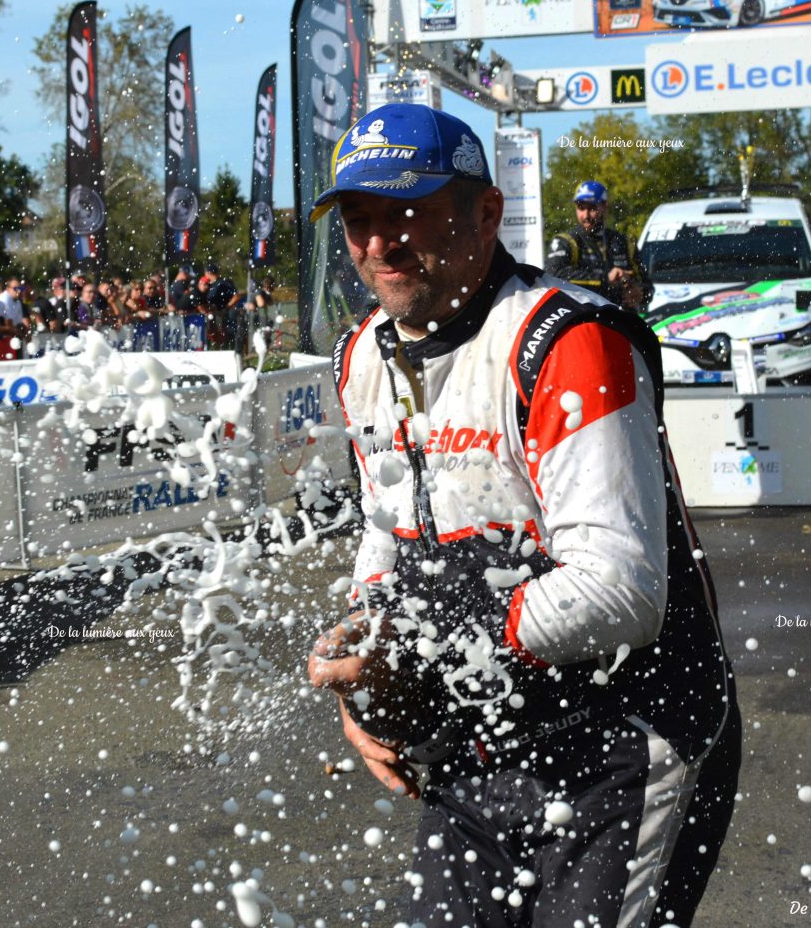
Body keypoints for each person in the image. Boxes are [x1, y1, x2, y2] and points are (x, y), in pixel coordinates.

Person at [305, 103, 741, 928]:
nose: (378, 242)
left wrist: (423, 638)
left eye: (407, 212)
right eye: (359, 221)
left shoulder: (567, 339)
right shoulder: (360, 354)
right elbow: (384, 534)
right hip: (487, 738)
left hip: (632, 740)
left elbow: (622, 591)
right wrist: (362, 670)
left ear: (485, 213)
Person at [544, 180, 652, 311]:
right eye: (581, 208)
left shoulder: (624, 241)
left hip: (622, 321)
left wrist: (639, 293)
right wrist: (604, 278)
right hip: (584, 320)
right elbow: (553, 274)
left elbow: (647, 286)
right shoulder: (566, 241)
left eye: (592, 208)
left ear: (605, 207)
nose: (586, 215)